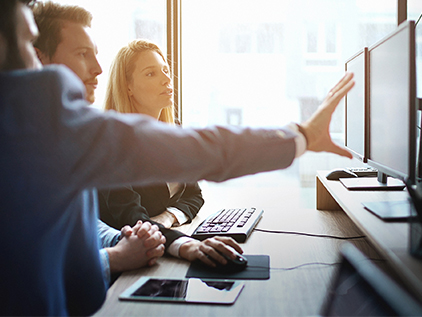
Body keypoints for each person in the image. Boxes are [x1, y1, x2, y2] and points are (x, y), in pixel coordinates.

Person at [0, 0, 354, 316]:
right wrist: (302, 137)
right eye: (82, 54)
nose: (97, 68)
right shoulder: (45, 122)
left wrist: (117, 251)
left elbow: (74, 221)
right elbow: (199, 150)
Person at [31, 1, 242, 271]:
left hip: (144, 247)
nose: (98, 68)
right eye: (152, 73)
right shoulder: (102, 144)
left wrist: (164, 220)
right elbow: (125, 220)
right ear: (128, 87)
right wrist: (177, 243)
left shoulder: (166, 133)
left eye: (165, 70)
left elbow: (193, 195)